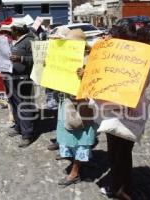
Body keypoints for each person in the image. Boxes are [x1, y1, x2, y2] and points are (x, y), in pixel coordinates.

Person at [95, 26, 150, 200]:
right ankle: (117, 186)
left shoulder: (139, 63)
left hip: (126, 115)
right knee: (114, 154)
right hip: (113, 113)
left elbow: (138, 86)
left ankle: (123, 190)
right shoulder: (118, 60)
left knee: (121, 155)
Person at [55, 29, 97, 187]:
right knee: (68, 133)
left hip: (82, 105)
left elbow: (101, 80)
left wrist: (87, 74)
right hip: (66, 101)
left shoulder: (92, 58)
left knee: (81, 137)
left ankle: (75, 172)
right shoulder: (66, 57)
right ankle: (76, 161)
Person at [3, 20, 36, 148]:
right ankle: (18, 126)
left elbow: (38, 59)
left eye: (12, 29)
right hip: (11, 77)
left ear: (17, 30)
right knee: (14, 103)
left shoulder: (30, 41)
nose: (10, 31)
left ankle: (27, 134)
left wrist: (21, 59)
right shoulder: (13, 41)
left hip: (23, 79)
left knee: (24, 105)